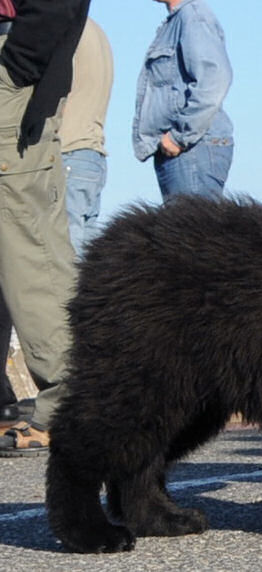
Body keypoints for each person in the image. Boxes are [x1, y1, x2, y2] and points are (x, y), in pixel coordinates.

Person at [0, 0, 90, 456]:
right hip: (16, 68)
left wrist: (12, 69)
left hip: (12, 71)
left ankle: (68, 404)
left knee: (27, 247)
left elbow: (56, 6)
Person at [132, 0, 234, 201]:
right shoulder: (179, 20)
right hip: (184, 150)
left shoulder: (193, 16)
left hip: (192, 149)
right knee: (184, 230)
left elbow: (214, 78)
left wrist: (179, 136)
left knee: (193, 231)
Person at [60, 17, 114, 257]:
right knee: (85, 259)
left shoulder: (65, 28)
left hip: (67, 150)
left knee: (64, 254)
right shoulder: (96, 31)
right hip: (92, 155)